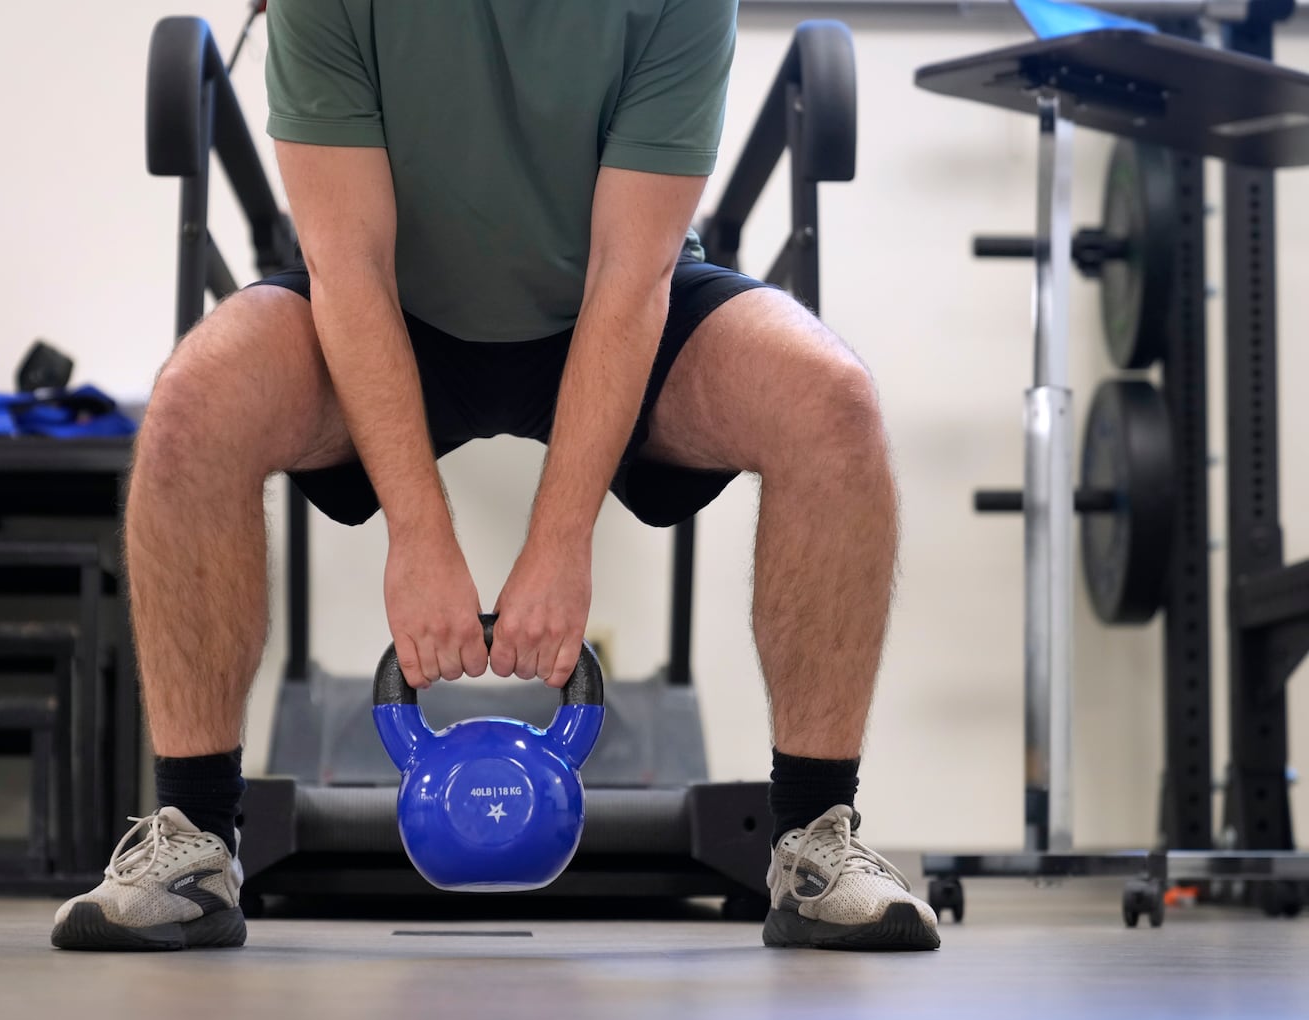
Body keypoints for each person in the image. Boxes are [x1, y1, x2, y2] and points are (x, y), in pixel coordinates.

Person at [51, 0, 939, 953]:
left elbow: (629, 274)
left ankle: (814, 839)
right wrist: (417, 534)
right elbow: (347, 266)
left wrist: (562, 541)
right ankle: (192, 840)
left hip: (611, 297)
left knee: (831, 402)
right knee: (193, 406)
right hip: (390, 303)